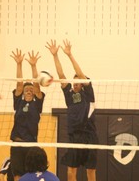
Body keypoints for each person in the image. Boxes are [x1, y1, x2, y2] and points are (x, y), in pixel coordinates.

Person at [46, 39, 98, 181]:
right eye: (73, 81)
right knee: (71, 172)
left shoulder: (88, 94)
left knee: (90, 172)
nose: (75, 83)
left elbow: (80, 74)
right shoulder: (69, 95)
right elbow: (61, 75)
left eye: (77, 81)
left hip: (89, 136)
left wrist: (69, 55)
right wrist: (55, 55)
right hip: (74, 136)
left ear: (82, 84)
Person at [10, 49, 45, 181]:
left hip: (31, 144)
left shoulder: (37, 103)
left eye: (31, 90)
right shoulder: (19, 101)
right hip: (18, 144)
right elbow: (19, 84)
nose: (29, 91)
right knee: (18, 176)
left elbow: (37, 85)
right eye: (26, 90)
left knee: (33, 174)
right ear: (23, 92)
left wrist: (33, 65)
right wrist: (19, 64)